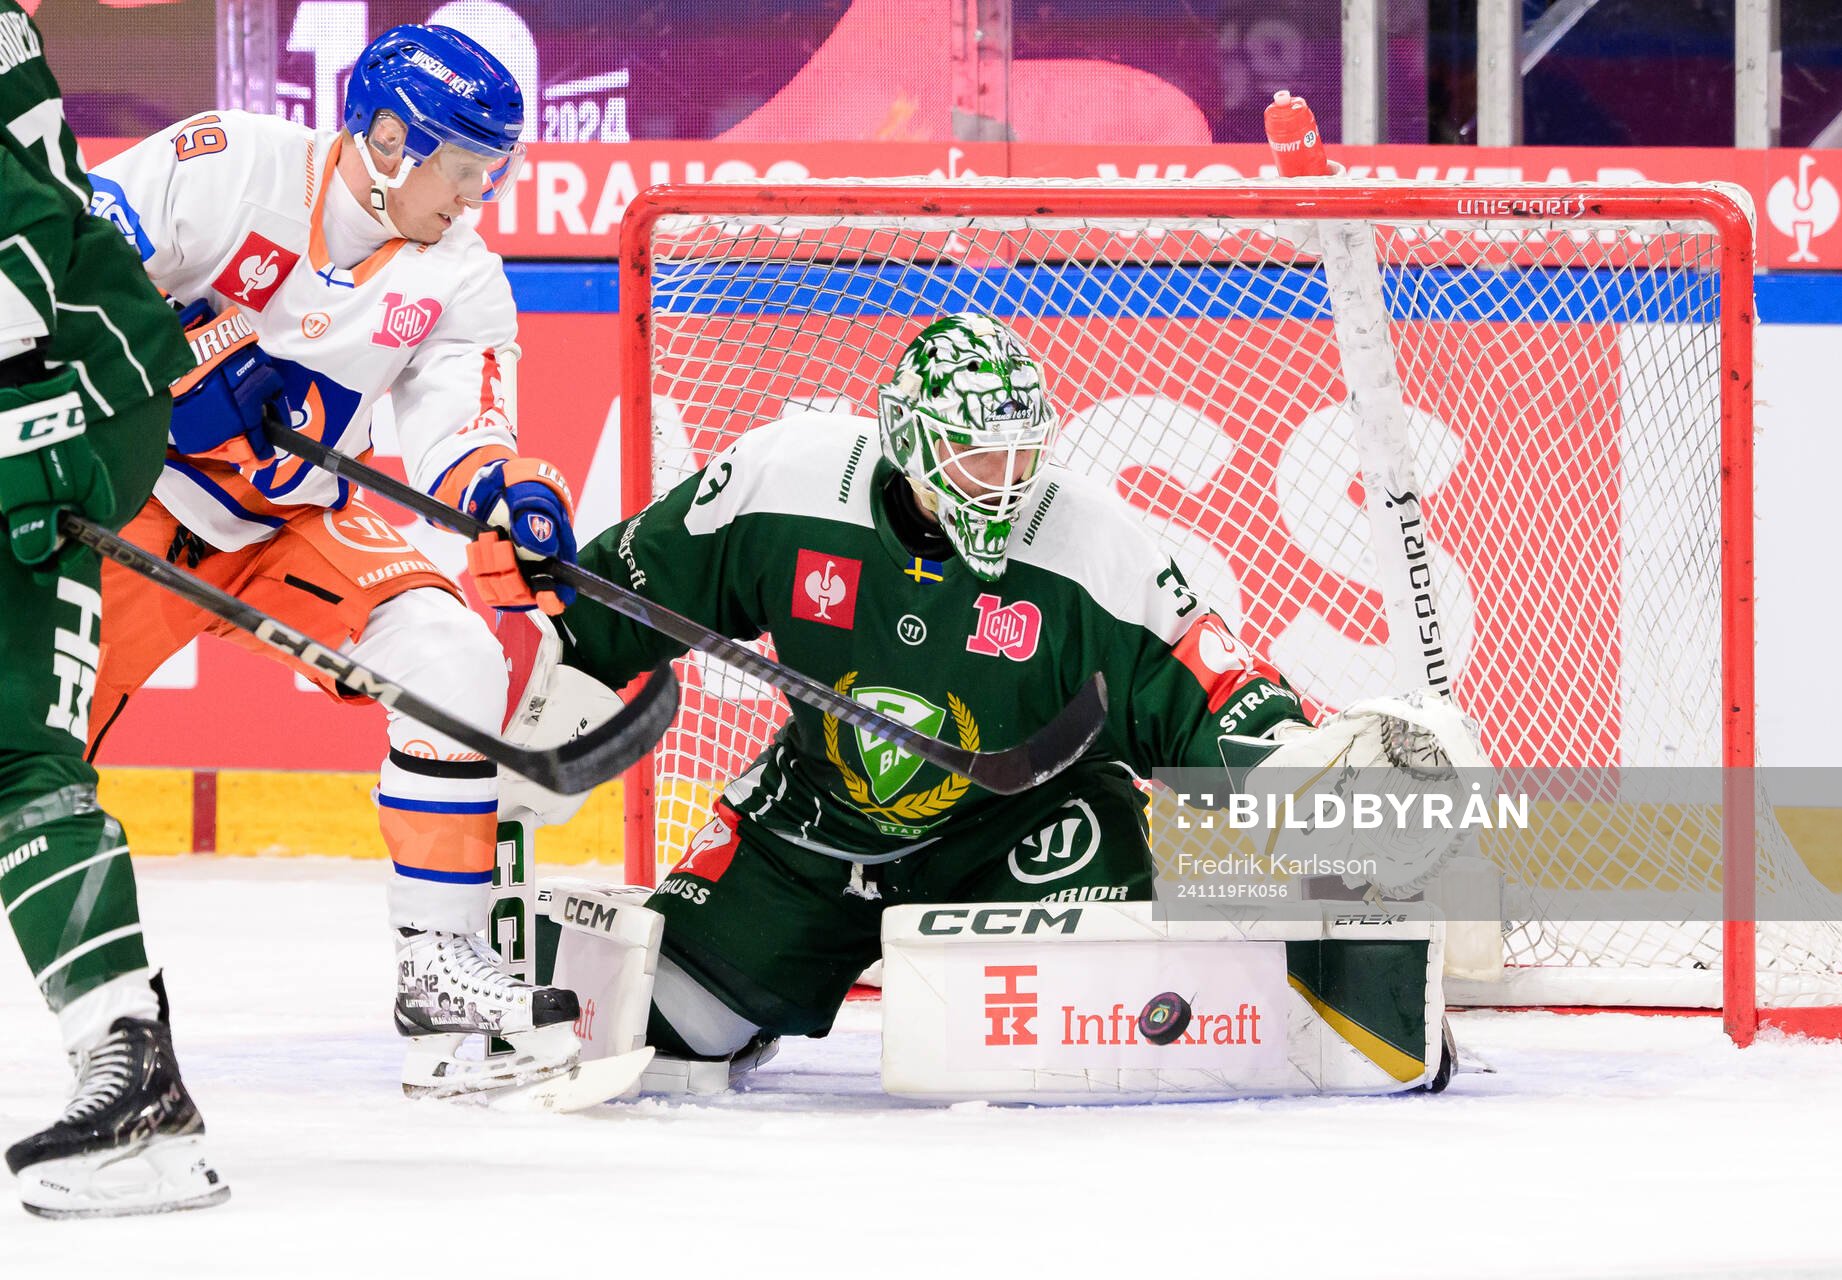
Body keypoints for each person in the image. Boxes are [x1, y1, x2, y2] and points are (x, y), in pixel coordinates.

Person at [548, 313, 1319, 1077]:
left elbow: (1206, 693)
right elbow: (619, 594)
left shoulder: (1092, 546)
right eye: (979, 457)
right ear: (910, 440)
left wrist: (1296, 763)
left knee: (1077, 1036)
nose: (1007, 482)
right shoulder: (783, 481)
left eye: (1023, 456)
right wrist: (546, 641)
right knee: (659, 1026)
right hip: (818, 828)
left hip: (1027, 828)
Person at [82, 24, 585, 1091]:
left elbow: (463, 439)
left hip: (288, 526)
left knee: (450, 651)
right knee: (20, 756)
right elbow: (66, 278)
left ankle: (438, 963)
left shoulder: (463, 277)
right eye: (462, 167)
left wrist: (512, 495)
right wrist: (183, 357)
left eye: (492, 173)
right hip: (128, 507)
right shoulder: (229, 165)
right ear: (392, 139)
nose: (473, 195)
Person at [0, 0, 228, 1216]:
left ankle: (133, 1080)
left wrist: (34, 430)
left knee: (14, 750)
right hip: (40, 373)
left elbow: (25, 231)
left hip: (61, 384)